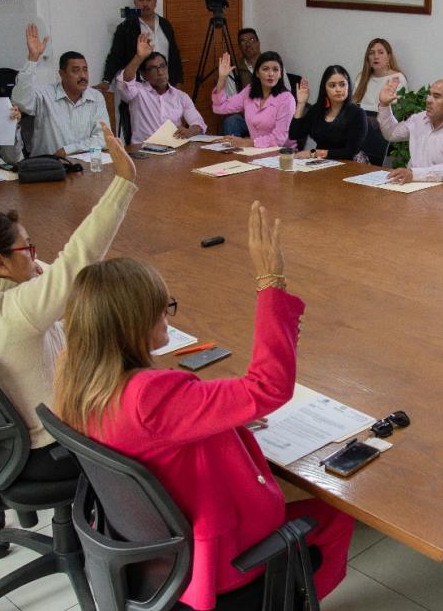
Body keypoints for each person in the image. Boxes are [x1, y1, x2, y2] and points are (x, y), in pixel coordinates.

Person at [53, 202, 352, 611]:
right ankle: (292, 600)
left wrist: (221, 419)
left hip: (155, 553)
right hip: (216, 559)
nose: (167, 318)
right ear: (133, 324)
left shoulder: (76, 377)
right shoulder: (149, 397)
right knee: (336, 514)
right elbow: (268, 387)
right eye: (162, 309)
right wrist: (271, 281)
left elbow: (159, 433)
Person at [0, 122, 136, 467]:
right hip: (53, 444)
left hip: (15, 435)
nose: (35, 257)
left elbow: (55, 273)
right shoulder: (17, 310)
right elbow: (79, 256)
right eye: (27, 249)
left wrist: (39, 270)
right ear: (0, 263)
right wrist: (123, 181)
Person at [101, 0, 184, 144]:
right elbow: (115, 56)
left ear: (155, 2)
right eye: (141, 0)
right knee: (140, 129)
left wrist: (178, 83)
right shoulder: (127, 27)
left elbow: (175, 55)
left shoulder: (165, 24)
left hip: (165, 84)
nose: (145, 4)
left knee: (170, 129)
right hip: (140, 89)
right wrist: (106, 81)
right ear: (135, 3)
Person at [11, 23, 108, 156]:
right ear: (62, 74)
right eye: (76, 70)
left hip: (83, 164)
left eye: (85, 70)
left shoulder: (96, 97)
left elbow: (103, 138)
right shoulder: (45, 94)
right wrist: (32, 59)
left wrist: (68, 150)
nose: (83, 76)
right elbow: (20, 101)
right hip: (48, 165)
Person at [374, 77, 443, 184]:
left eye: (436, 96)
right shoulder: (419, 119)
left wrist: (413, 174)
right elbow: (391, 134)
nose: (428, 100)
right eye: (429, 94)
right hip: (413, 186)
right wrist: (384, 105)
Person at [114, 34, 206, 144]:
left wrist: (190, 131)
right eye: (153, 68)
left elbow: (198, 123)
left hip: (173, 148)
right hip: (144, 150)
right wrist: (139, 57)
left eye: (162, 66)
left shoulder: (181, 96)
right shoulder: (138, 92)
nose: (160, 72)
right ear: (143, 74)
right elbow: (125, 82)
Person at [212, 51, 296, 149]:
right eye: (265, 69)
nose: (271, 74)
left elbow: (279, 139)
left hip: (281, 153)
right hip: (255, 151)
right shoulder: (249, 91)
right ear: (257, 73)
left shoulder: (287, 99)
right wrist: (222, 78)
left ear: (280, 74)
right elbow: (220, 108)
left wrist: (247, 142)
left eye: (276, 69)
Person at [289, 65, 367, 160]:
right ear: (325, 89)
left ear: (348, 86)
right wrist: (301, 103)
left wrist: (313, 153)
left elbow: (349, 152)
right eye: (332, 85)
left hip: (351, 163)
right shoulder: (317, 109)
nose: (338, 89)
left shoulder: (358, 114)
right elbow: (294, 134)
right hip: (322, 162)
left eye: (342, 84)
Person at [352, 38, 408, 165]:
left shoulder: (397, 78)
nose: (375, 56)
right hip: (361, 128)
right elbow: (354, 106)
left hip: (382, 131)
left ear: (389, 56)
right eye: (371, 53)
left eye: (380, 52)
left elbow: (397, 112)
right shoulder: (362, 77)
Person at [220, 27, 263, 137]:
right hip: (247, 115)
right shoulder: (234, 71)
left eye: (252, 40)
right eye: (243, 41)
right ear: (239, 47)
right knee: (231, 122)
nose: (248, 44)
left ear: (258, 43)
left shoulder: (273, 64)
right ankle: (234, 149)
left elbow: (286, 92)